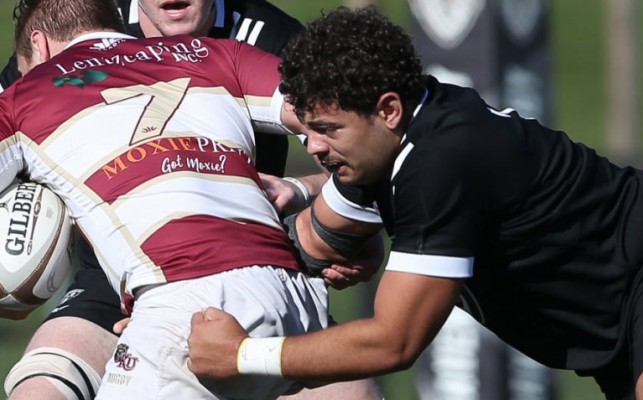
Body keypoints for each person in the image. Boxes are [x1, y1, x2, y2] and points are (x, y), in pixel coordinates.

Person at [186, 6, 643, 400]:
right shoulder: (375, 151)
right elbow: (312, 243)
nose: (312, 147)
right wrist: (176, 299)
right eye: (309, 129)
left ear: (388, 110)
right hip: (615, 328)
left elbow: (393, 341)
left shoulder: (441, 161)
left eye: (327, 130)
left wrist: (242, 354)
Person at [0, 0, 385, 399]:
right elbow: (363, 125)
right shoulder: (220, 54)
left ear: (40, 48)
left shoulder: (22, 96)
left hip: (177, 295)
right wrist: (351, 219)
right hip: (287, 289)